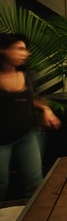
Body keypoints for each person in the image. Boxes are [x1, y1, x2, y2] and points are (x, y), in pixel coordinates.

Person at [0, 33, 61, 200]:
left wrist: (46, 110)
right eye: (19, 49)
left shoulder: (27, 75)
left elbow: (32, 99)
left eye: (25, 49)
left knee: (35, 185)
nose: (26, 53)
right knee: (1, 185)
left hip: (25, 136)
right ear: (3, 50)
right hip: (1, 142)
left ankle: (35, 216)